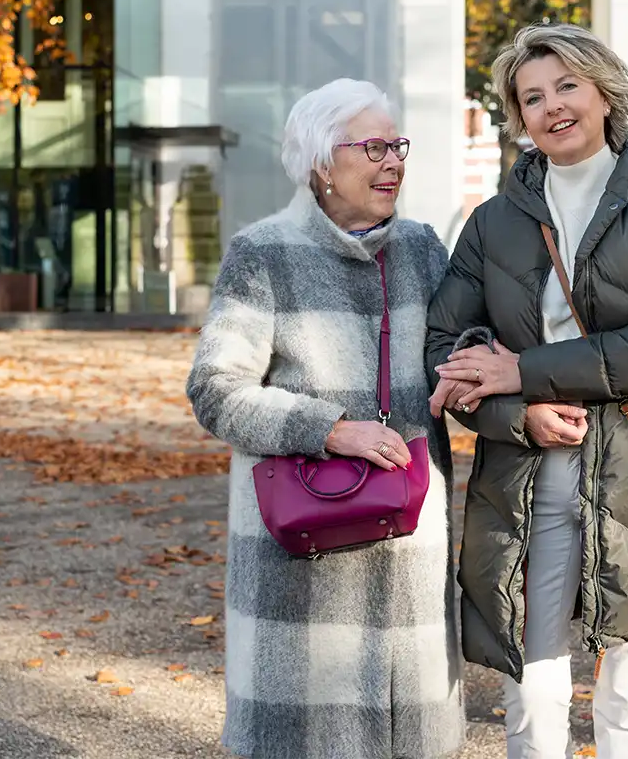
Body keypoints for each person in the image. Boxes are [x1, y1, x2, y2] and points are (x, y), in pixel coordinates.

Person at [424, 24, 628, 758]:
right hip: (529, 477)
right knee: (532, 683)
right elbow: (443, 350)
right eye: (531, 97)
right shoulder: (493, 224)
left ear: (605, 92)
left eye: (567, 85)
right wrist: (517, 413)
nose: (552, 106)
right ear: (519, 118)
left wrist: (523, 370)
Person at [186, 78, 464, 759]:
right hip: (304, 559)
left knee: (411, 738)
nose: (393, 160)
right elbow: (215, 389)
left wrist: (483, 370)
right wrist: (330, 429)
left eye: (397, 145)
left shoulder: (425, 250)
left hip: (408, 552)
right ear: (320, 161)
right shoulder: (263, 254)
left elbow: (460, 349)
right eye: (373, 146)